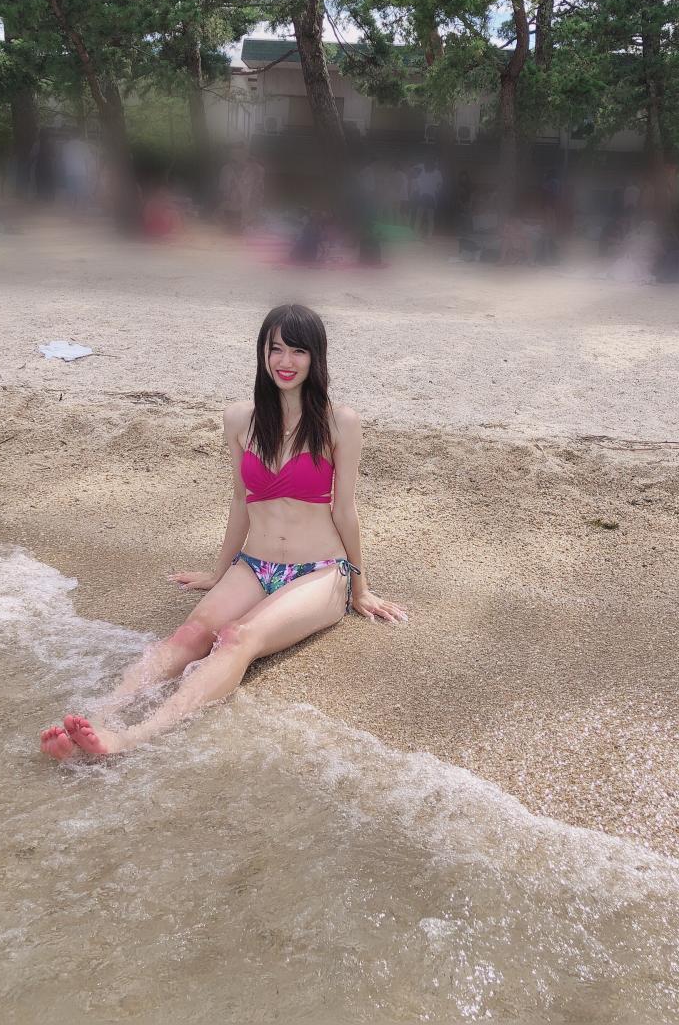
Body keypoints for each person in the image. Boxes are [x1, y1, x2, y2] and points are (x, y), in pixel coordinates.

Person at [40, 304, 408, 759]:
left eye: (298, 351)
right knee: (190, 634)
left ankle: (132, 738)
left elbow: (345, 511)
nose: (286, 361)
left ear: (316, 357)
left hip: (320, 571)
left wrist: (360, 588)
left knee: (237, 637)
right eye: (276, 349)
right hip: (255, 565)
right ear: (262, 353)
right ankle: (98, 719)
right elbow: (240, 501)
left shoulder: (339, 422)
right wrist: (219, 572)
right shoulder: (240, 419)